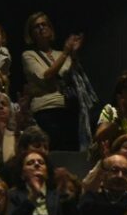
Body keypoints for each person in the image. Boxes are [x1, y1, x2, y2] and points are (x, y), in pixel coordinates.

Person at [20, 13, 84, 151]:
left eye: (44, 24)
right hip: (46, 110)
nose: (41, 28)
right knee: (53, 151)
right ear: (31, 33)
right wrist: (66, 53)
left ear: (50, 28)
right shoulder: (29, 55)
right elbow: (45, 76)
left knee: (71, 152)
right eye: (36, 26)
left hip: (68, 107)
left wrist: (73, 54)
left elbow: (74, 78)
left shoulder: (59, 54)